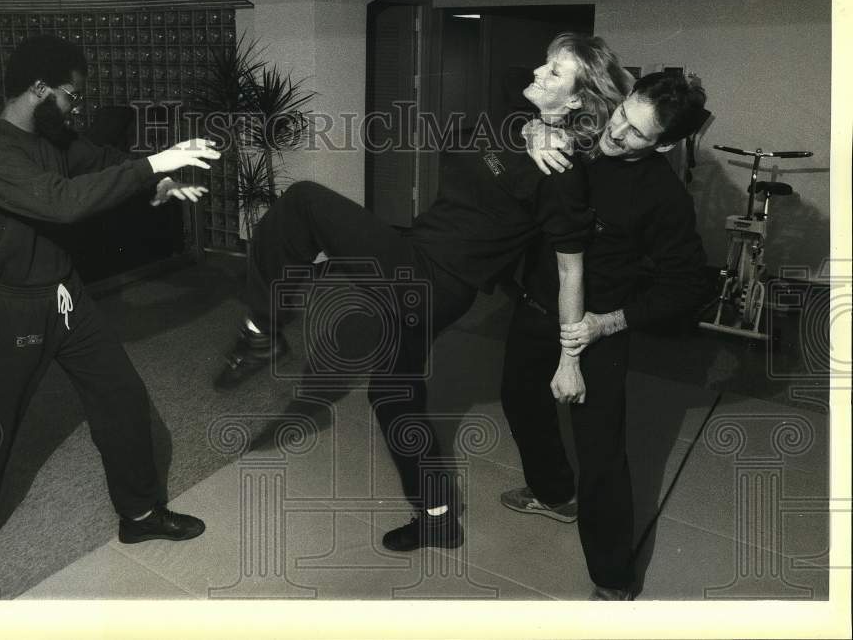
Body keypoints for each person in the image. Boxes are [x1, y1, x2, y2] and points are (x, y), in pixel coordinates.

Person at [215, 33, 633, 553]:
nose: (538, 72)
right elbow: (464, 145)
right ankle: (436, 518)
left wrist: (570, 358)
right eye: (544, 62)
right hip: (416, 252)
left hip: (436, 280)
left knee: (302, 201)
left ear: (575, 100)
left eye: (554, 73)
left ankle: (260, 331)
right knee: (393, 395)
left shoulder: (563, 174)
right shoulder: (512, 120)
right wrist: (532, 129)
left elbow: (572, 271)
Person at [0, 35, 220, 600]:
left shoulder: (54, 136)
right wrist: (158, 162)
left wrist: (157, 181)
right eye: (69, 96)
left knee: (124, 398)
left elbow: (106, 163)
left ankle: (138, 516)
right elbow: (60, 200)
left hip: (65, 296)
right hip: (7, 306)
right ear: (38, 90)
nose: (75, 108)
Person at [498, 72, 710, 600]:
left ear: (664, 143)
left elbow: (688, 286)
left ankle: (613, 580)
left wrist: (606, 323)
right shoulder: (591, 132)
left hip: (599, 325)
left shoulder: (663, 197)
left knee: (602, 455)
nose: (617, 133)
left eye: (637, 133)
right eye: (623, 113)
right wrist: (532, 131)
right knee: (520, 400)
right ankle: (553, 494)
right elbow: (527, 130)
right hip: (537, 304)